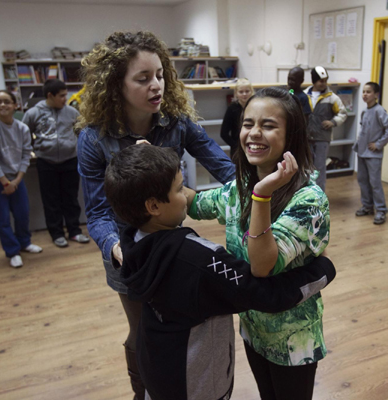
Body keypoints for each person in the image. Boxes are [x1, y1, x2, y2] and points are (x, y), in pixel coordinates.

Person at [105, 143, 335, 400]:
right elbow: (268, 295)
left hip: (157, 370)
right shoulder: (198, 260)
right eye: (180, 188)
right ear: (153, 206)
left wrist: (149, 167)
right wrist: (324, 269)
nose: (186, 195)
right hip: (196, 383)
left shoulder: (130, 239)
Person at [76, 31, 236, 400]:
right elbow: (98, 213)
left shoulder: (176, 121)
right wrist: (119, 250)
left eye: (161, 75)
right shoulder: (94, 137)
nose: (156, 86)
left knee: (176, 326)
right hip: (127, 252)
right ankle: (143, 392)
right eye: (143, 78)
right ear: (116, 84)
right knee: (142, 331)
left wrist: (257, 195)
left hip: (173, 245)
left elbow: (222, 166)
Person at [189, 87, 330, 400]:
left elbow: (262, 264)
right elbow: (194, 204)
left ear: (291, 135)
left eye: (268, 125)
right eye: (247, 123)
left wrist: (263, 194)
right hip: (253, 327)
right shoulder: (238, 187)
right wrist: (154, 163)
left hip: (293, 338)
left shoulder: (309, 200)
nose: (253, 133)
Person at [0, 90, 43, 268]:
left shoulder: (22, 128)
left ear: (15, 105)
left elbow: (25, 154)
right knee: (3, 218)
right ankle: (12, 251)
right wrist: (5, 182)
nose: (2, 105)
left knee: (22, 214)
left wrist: (17, 180)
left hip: (16, 179)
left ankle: (25, 242)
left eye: (6, 101)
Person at [23, 79, 90, 248]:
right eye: (61, 96)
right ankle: (57, 233)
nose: (64, 99)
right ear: (49, 95)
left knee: (71, 198)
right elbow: (24, 135)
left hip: (70, 160)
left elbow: (81, 132)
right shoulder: (33, 113)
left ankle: (74, 231)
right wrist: (34, 150)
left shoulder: (72, 112)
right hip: (46, 162)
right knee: (51, 200)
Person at [354, 82, 388, 225]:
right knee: (362, 181)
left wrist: (379, 144)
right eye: (364, 92)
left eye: (369, 92)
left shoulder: (379, 111)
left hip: (373, 155)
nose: (365, 94)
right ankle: (367, 206)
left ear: (376, 95)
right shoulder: (364, 111)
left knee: (375, 183)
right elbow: (364, 131)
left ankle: (381, 210)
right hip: (362, 153)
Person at [305, 66, 348, 191]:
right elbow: (291, 94)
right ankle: (307, 194)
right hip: (307, 138)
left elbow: (342, 113)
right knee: (307, 167)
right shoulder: (304, 94)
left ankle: (319, 196)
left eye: (325, 80)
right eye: (321, 81)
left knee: (319, 168)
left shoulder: (332, 97)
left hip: (322, 138)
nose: (324, 83)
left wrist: (333, 122)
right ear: (314, 81)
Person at [220, 78, 253, 156]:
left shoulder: (255, 107)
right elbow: (223, 133)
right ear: (236, 93)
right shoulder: (232, 109)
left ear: (251, 92)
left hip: (253, 146)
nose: (244, 94)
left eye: (247, 91)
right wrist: (235, 146)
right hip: (237, 149)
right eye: (241, 92)